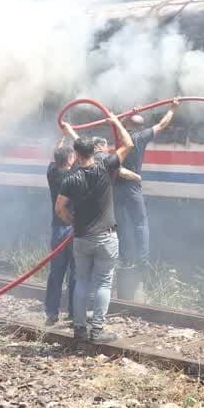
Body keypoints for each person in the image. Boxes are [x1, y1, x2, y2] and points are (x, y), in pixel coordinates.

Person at [56, 109, 133, 344]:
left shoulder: (71, 178)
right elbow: (128, 143)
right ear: (95, 152)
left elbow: (59, 208)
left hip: (81, 238)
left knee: (81, 282)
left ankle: (79, 329)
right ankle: (97, 330)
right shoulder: (105, 166)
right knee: (103, 282)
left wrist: (73, 222)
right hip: (106, 237)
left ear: (76, 154)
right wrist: (116, 122)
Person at [113, 102, 178, 299]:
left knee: (122, 224)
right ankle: (142, 259)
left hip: (118, 186)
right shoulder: (141, 137)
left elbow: (117, 122)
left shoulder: (119, 137)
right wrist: (173, 108)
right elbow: (163, 124)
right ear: (141, 127)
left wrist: (128, 115)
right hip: (133, 185)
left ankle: (125, 259)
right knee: (140, 223)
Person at [43, 142, 76, 326]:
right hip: (71, 227)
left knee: (56, 271)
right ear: (70, 159)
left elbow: (52, 158)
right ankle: (73, 311)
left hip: (56, 228)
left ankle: (51, 312)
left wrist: (60, 141)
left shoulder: (51, 172)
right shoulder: (73, 176)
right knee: (75, 271)